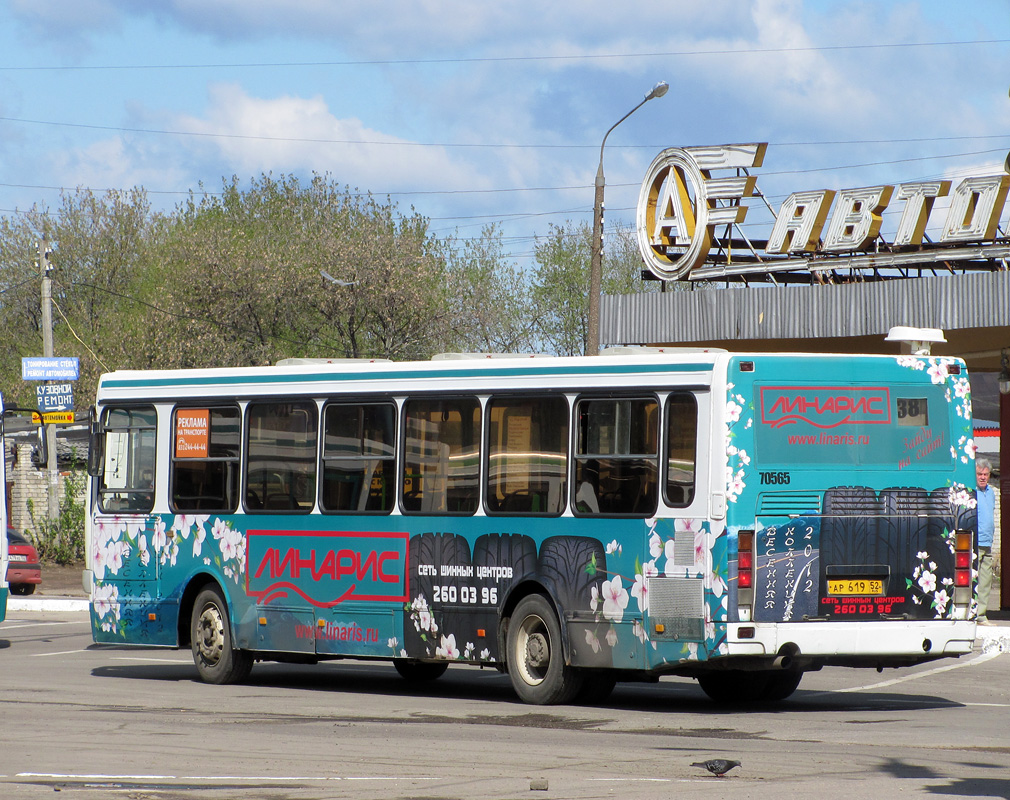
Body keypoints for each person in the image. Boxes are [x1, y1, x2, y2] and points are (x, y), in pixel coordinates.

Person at [975, 457, 996, 625]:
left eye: (986, 474)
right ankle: (968, 613)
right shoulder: (971, 492)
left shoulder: (991, 493)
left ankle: (981, 614)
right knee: (970, 580)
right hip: (974, 542)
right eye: (979, 474)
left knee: (985, 580)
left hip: (987, 542)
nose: (983, 477)